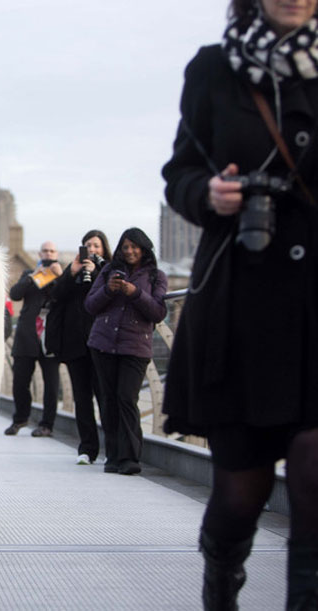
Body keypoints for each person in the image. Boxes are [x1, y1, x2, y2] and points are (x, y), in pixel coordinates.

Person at [162, 1, 318, 607]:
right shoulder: (213, 69)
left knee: (313, 470)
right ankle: (221, 577)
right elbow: (180, 171)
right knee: (239, 492)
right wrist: (208, 194)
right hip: (242, 299)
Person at [84, 228, 166, 477]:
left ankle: (129, 457)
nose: (130, 251)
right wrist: (109, 289)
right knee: (108, 400)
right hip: (103, 344)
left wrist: (135, 293)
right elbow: (90, 305)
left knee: (126, 399)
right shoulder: (108, 271)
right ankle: (113, 455)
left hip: (135, 347)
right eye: (125, 247)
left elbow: (158, 312)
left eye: (135, 247)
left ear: (144, 248)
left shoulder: (156, 276)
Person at [46, 230, 112, 465]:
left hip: (101, 344)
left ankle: (111, 450)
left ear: (104, 249)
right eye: (88, 245)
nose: (92, 250)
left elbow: (108, 297)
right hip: (75, 344)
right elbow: (55, 296)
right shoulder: (72, 271)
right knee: (82, 399)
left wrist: (96, 275)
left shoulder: (109, 271)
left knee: (105, 397)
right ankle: (87, 449)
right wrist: (71, 272)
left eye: (96, 245)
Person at [6, 242, 62, 438]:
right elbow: (15, 294)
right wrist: (33, 276)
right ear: (39, 253)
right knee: (20, 381)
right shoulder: (29, 274)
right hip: (27, 335)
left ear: (57, 254)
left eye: (52, 251)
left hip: (51, 336)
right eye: (45, 251)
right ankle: (20, 418)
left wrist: (60, 277)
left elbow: (65, 297)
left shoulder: (62, 276)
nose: (48, 254)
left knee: (51, 385)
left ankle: (47, 424)